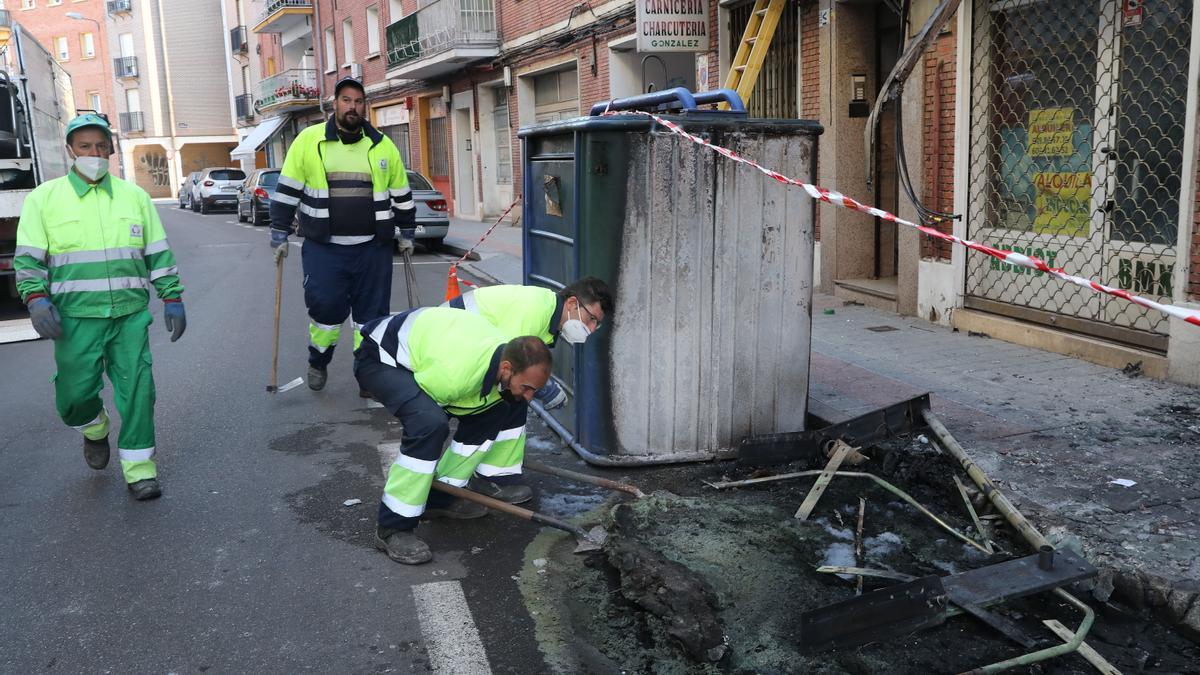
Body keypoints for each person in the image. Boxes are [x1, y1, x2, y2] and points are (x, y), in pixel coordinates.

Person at [13, 113, 186, 500]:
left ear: (110, 149)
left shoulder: (134, 197)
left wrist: (171, 296)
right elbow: (27, 260)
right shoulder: (44, 199)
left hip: (129, 314)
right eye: (85, 146)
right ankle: (94, 427)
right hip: (75, 319)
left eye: (101, 145)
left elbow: (157, 253)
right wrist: (36, 298)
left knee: (139, 391)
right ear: (71, 150)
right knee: (74, 396)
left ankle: (140, 469)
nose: (94, 153)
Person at [354, 307, 552, 564]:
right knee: (429, 424)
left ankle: (441, 498)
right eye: (526, 387)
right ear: (506, 368)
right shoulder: (455, 374)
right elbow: (431, 413)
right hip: (378, 357)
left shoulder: (504, 360)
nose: (529, 396)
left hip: (434, 353)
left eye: (533, 390)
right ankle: (392, 527)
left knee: (499, 408)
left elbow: (488, 401)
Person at [269, 76, 415, 394]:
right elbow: (287, 191)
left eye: (359, 101)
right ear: (334, 104)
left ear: (365, 106)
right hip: (325, 249)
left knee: (371, 318)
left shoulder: (382, 145)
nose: (353, 106)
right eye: (346, 100)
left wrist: (407, 232)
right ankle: (318, 360)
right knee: (325, 310)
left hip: (372, 249)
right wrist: (279, 233)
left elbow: (401, 193)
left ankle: (368, 373)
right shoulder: (309, 141)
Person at [443, 277, 613, 503]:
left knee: (513, 400)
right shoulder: (534, 311)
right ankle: (447, 488)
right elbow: (510, 360)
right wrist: (545, 389)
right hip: (451, 350)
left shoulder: (548, 313)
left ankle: (497, 476)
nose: (590, 329)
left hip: (463, 348)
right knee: (491, 410)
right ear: (572, 304)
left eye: (596, 324)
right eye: (591, 319)